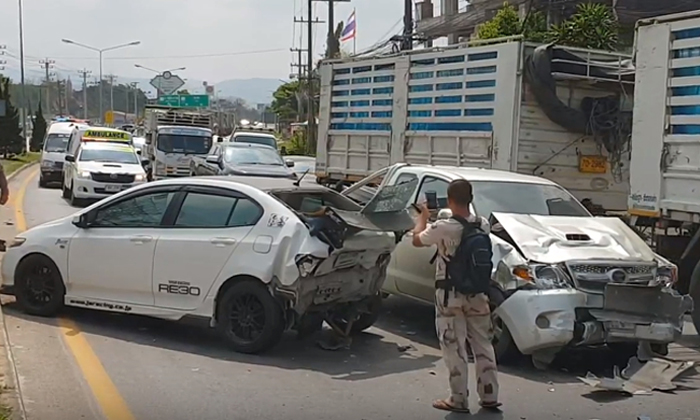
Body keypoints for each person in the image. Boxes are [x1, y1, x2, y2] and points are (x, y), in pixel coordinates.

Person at [411, 179, 500, 414]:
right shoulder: (483, 225)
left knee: (454, 346)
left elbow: (417, 240)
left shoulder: (442, 226)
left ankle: (458, 399)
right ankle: (490, 395)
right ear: (471, 199)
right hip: (478, 294)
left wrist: (422, 219)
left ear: (449, 200)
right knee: (483, 344)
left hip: (449, 295)